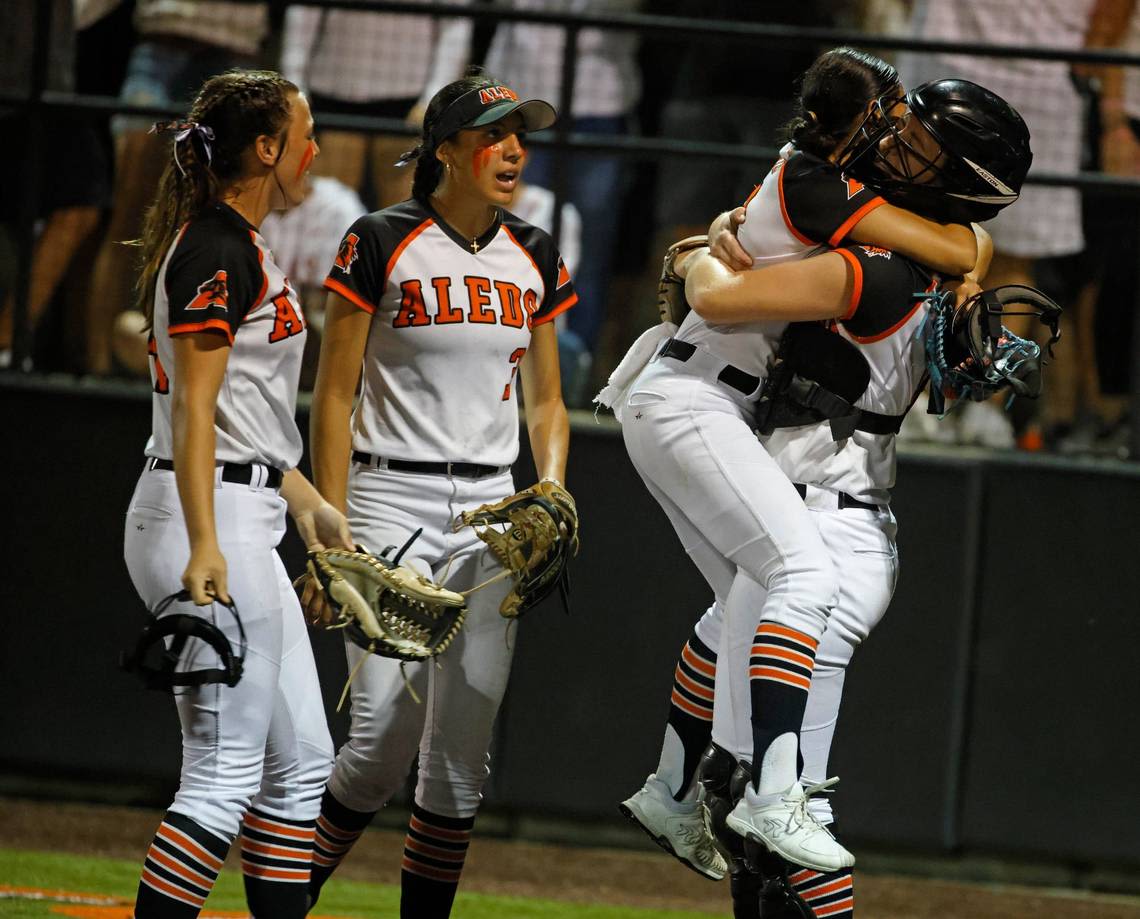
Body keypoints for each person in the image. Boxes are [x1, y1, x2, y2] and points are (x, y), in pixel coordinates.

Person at [634, 78, 1033, 918]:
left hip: (830, 516)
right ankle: (682, 784)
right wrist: (715, 235)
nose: (895, 145)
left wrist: (707, 249)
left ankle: (688, 785)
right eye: (902, 130)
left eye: (923, 144)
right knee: (749, 787)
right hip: (812, 498)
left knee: (790, 807)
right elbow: (962, 246)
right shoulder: (925, 241)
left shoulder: (879, 265)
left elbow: (717, 287)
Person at [305, 73, 575, 919]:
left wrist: (552, 488)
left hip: (495, 515)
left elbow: (547, 400)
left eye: (520, 135)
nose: (515, 149)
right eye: (495, 134)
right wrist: (331, 534)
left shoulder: (534, 248)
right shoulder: (379, 238)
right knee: (379, 743)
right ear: (446, 151)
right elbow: (334, 393)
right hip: (388, 497)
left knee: (460, 759)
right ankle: (287, 890)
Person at [121, 69, 354, 919]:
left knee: (301, 770)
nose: (315, 149)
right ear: (267, 148)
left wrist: (305, 502)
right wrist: (206, 540)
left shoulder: (236, 242)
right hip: (205, 520)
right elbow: (192, 409)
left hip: (239, 510)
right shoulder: (217, 246)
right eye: (306, 132)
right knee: (221, 779)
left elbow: (238, 420)